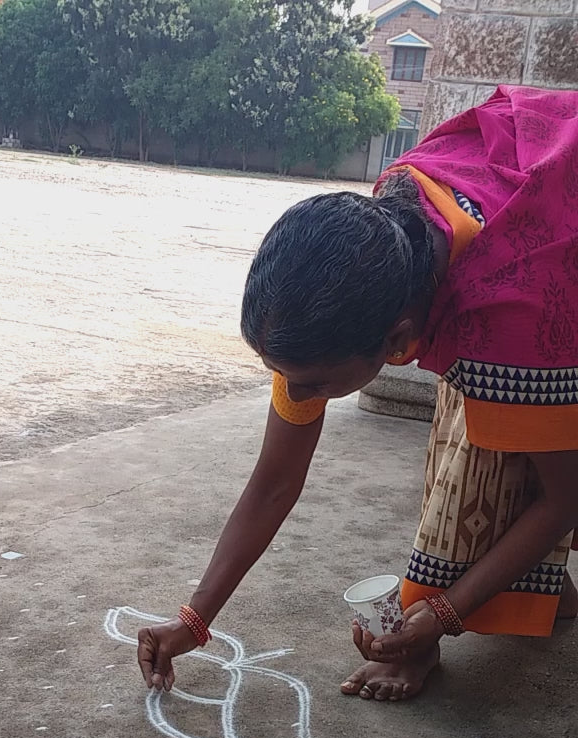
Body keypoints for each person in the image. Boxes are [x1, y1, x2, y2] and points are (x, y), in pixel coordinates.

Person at [138, 86, 578, 702]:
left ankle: (531, 584)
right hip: (533, 199)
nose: (298, 394)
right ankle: (540, 586)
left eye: (315, 382)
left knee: (491, 457)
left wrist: (442, 614)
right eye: (280, 371)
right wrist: (194, 618)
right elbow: (274, 481)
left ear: (397, 340)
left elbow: (564, 500)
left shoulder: (507, 322)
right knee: (506, 429)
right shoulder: (379, 244)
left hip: (555, 258)